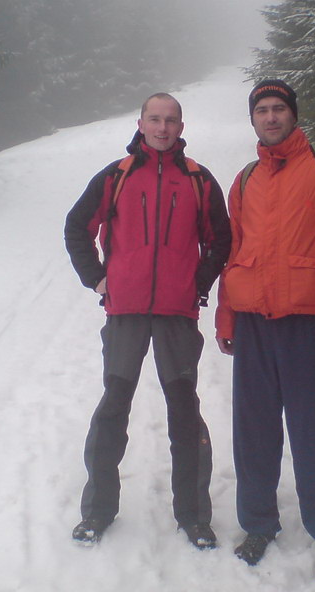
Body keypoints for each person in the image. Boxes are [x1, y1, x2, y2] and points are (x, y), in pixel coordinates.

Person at [215, 79, 315, 581]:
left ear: (293, 115)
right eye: (262, 110)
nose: (271, 116)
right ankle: (258, 524)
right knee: (254, 431)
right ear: (253, 120)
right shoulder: (244, 180)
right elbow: (232, 255)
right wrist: (226, 314)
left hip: (308, 322)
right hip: (254, 322)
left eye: (279, 108)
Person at [64, 92, 231, 550]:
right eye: (154, 119)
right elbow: (77, 226)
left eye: (170, 120)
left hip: (177, 314)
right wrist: (97, 279)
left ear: (180, 126)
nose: (162, 128)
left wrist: (197, 282)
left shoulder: (197, 179)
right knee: (113, 408)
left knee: (184, 410)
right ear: (140, 123)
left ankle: (194, 516)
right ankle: (97, 512)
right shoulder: (117, 176)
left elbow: (222, 239)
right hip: (126, 311)